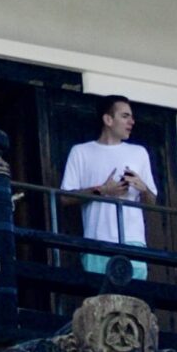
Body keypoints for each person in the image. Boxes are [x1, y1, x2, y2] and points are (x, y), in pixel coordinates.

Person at [59, 95, 156, 278]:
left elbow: (152, 202)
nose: (132, 122)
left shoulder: (139, 153)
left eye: (131, 117)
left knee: (133, 301)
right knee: (101, 301)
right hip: (97, 240)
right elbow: (65, 197)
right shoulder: (81, 152)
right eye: (125, 116)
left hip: (133, 241)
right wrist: (102, 190)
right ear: (108, 119)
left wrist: (142, 187)